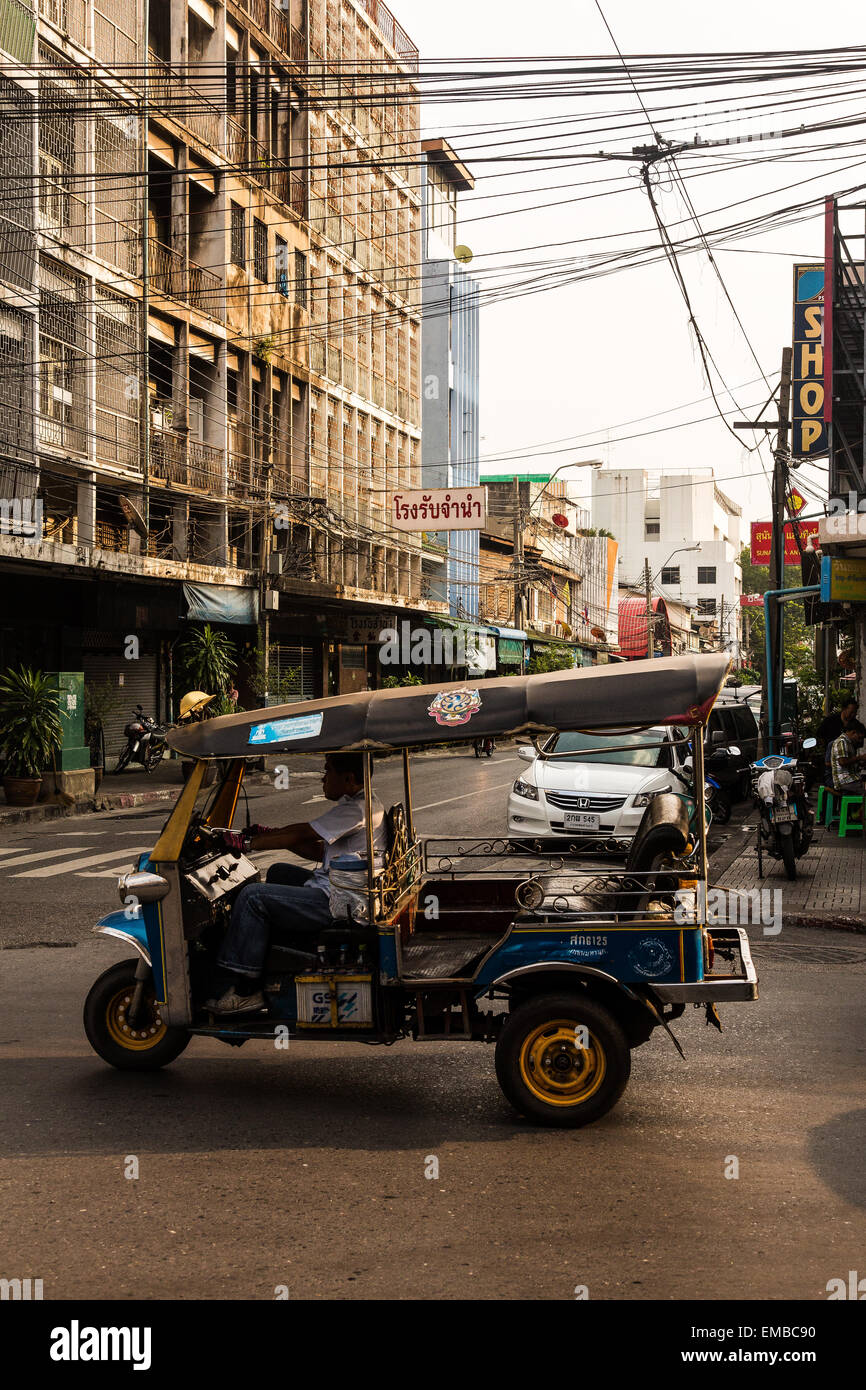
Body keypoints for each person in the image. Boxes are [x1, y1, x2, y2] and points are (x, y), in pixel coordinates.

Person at [205, 753, 387, 1015]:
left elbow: (304, 832)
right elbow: (318, 850)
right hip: (343, 889)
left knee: (253, 897)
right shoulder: (361, 803)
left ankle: (247, 990)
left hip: (338, 903)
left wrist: (247, 844)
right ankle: (266, 954)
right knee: (278, 871)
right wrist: (270, 835)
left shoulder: (356, 809)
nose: (323, 778)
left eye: (327, 771)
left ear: (348, 778)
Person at [829, 719, 866, 800]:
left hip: (850, 779)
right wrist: (860, 757)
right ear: (853, 732)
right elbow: (842, 762)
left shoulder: (849, 743)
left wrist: (861, 763)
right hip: (844, 781)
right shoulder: (841, 741)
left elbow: (850, 763)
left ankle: (856, 811)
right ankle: (858, 812)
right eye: (859, 738)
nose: (860, 741)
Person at [818, 698, 858, 771]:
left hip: (849, 762)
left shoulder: (855, 724)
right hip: (831, 762)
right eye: (851, 712)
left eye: (855, 713)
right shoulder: (830, 721)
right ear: (844, 709)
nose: (853, 715)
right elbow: (820, 736)